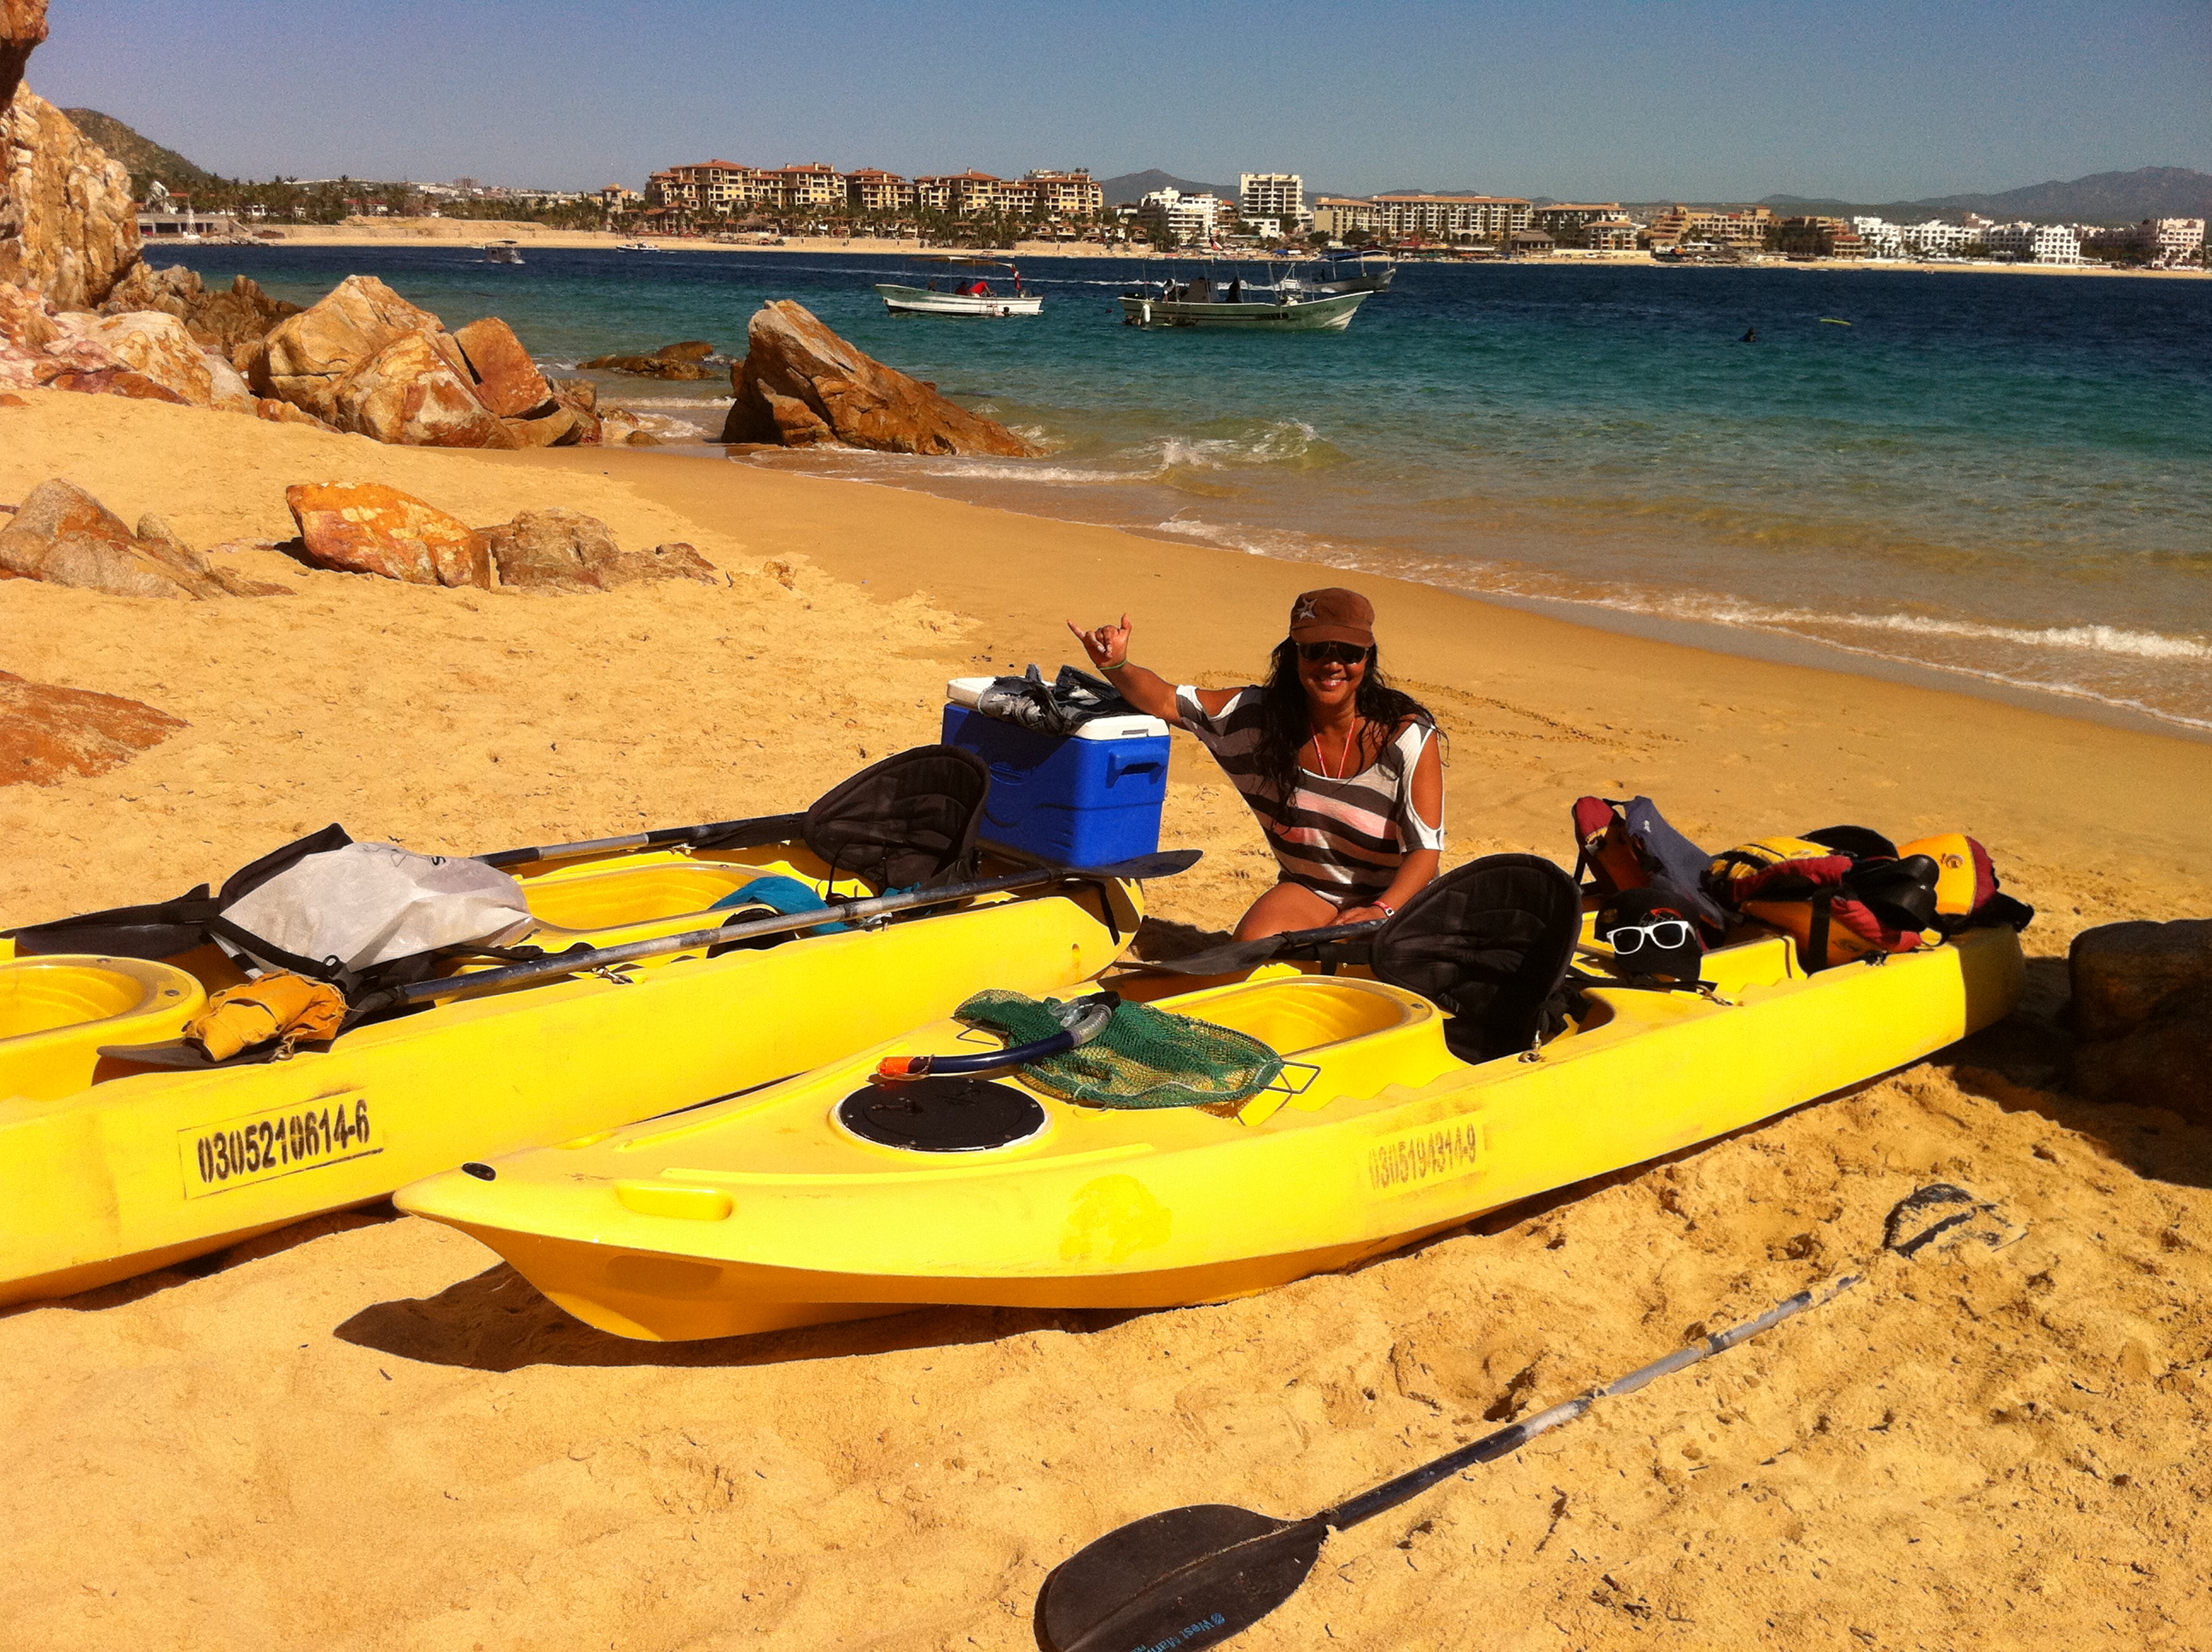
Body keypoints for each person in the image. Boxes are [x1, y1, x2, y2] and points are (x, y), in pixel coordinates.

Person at [1068, 587, 1444, 939]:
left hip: (1399, 899)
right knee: (1250, 950)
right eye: (1315, 650)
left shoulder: (1403, 735)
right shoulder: (1255, 720)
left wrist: (1383, 909)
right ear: (1294, 654)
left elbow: (1425, 851)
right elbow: (1167, 701)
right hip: (1313, 890)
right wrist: (1116, 665)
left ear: (1368, 657)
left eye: (1348, 652)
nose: (1332, 664)